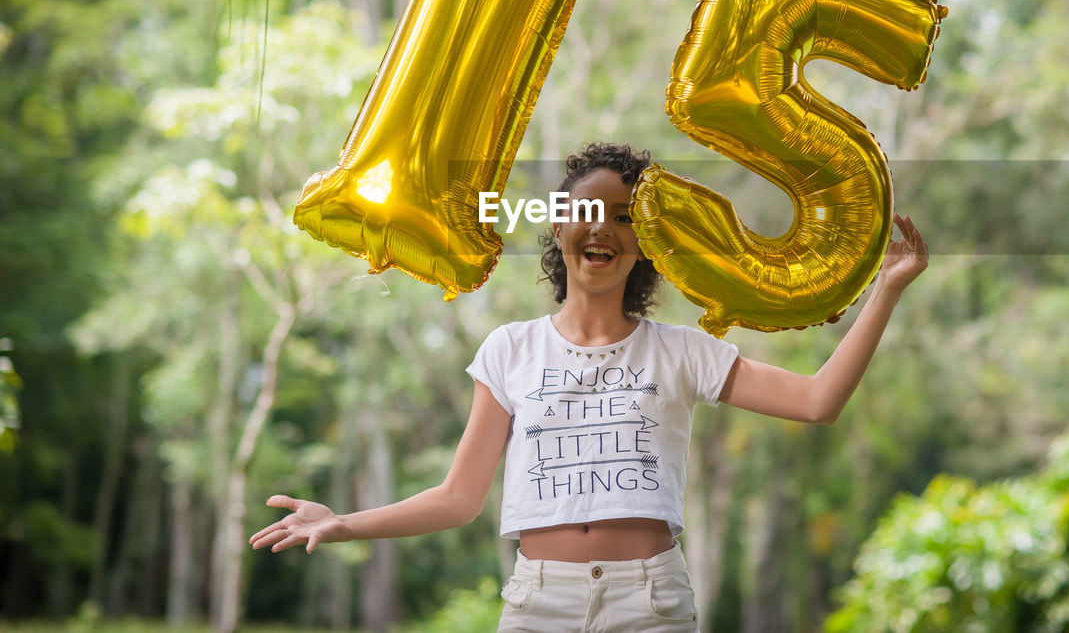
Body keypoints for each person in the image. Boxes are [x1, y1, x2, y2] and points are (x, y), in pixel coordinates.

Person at [250, 142, 929, 632]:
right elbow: (459, 498)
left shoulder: (683, 351)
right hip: (538, 602)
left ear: (646, 243)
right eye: (586, 211)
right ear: (559, 226)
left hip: (650, 603)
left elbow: (817, 400)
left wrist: (886, 291)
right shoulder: (510, 349)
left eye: (624, 216)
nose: (602, 226)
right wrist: (343, 523)